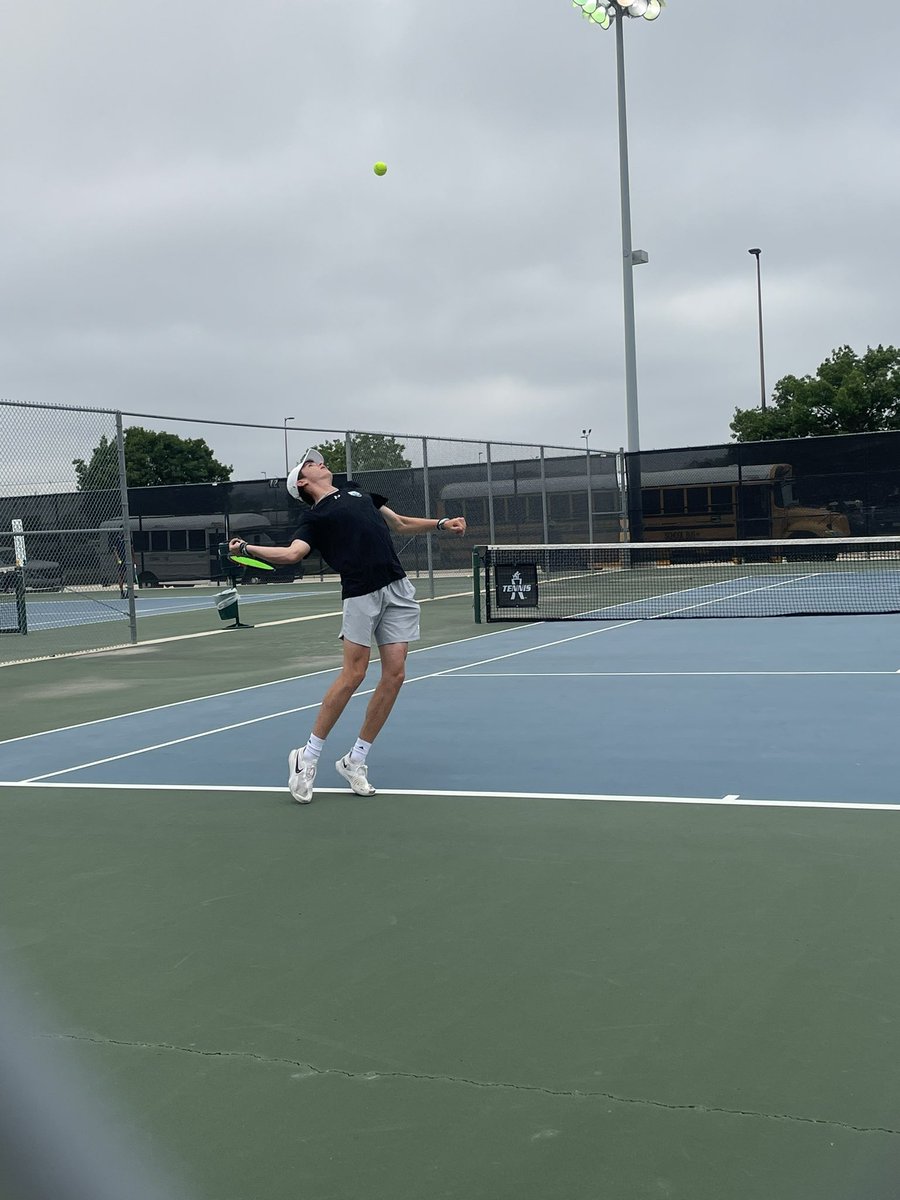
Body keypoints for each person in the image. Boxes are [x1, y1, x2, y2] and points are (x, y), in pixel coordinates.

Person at [228, 448, 466, 803]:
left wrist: (441, 524)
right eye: (311, 464)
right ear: (303, 482)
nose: (320, 462)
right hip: (360, 594)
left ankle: (355, 759)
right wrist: (248, 549)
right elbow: (293, 554)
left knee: (395, 674)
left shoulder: (358, 492)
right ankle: (306, 757)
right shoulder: (315, 517)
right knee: (353, 674)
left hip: (396, 588)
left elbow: (398, 523)